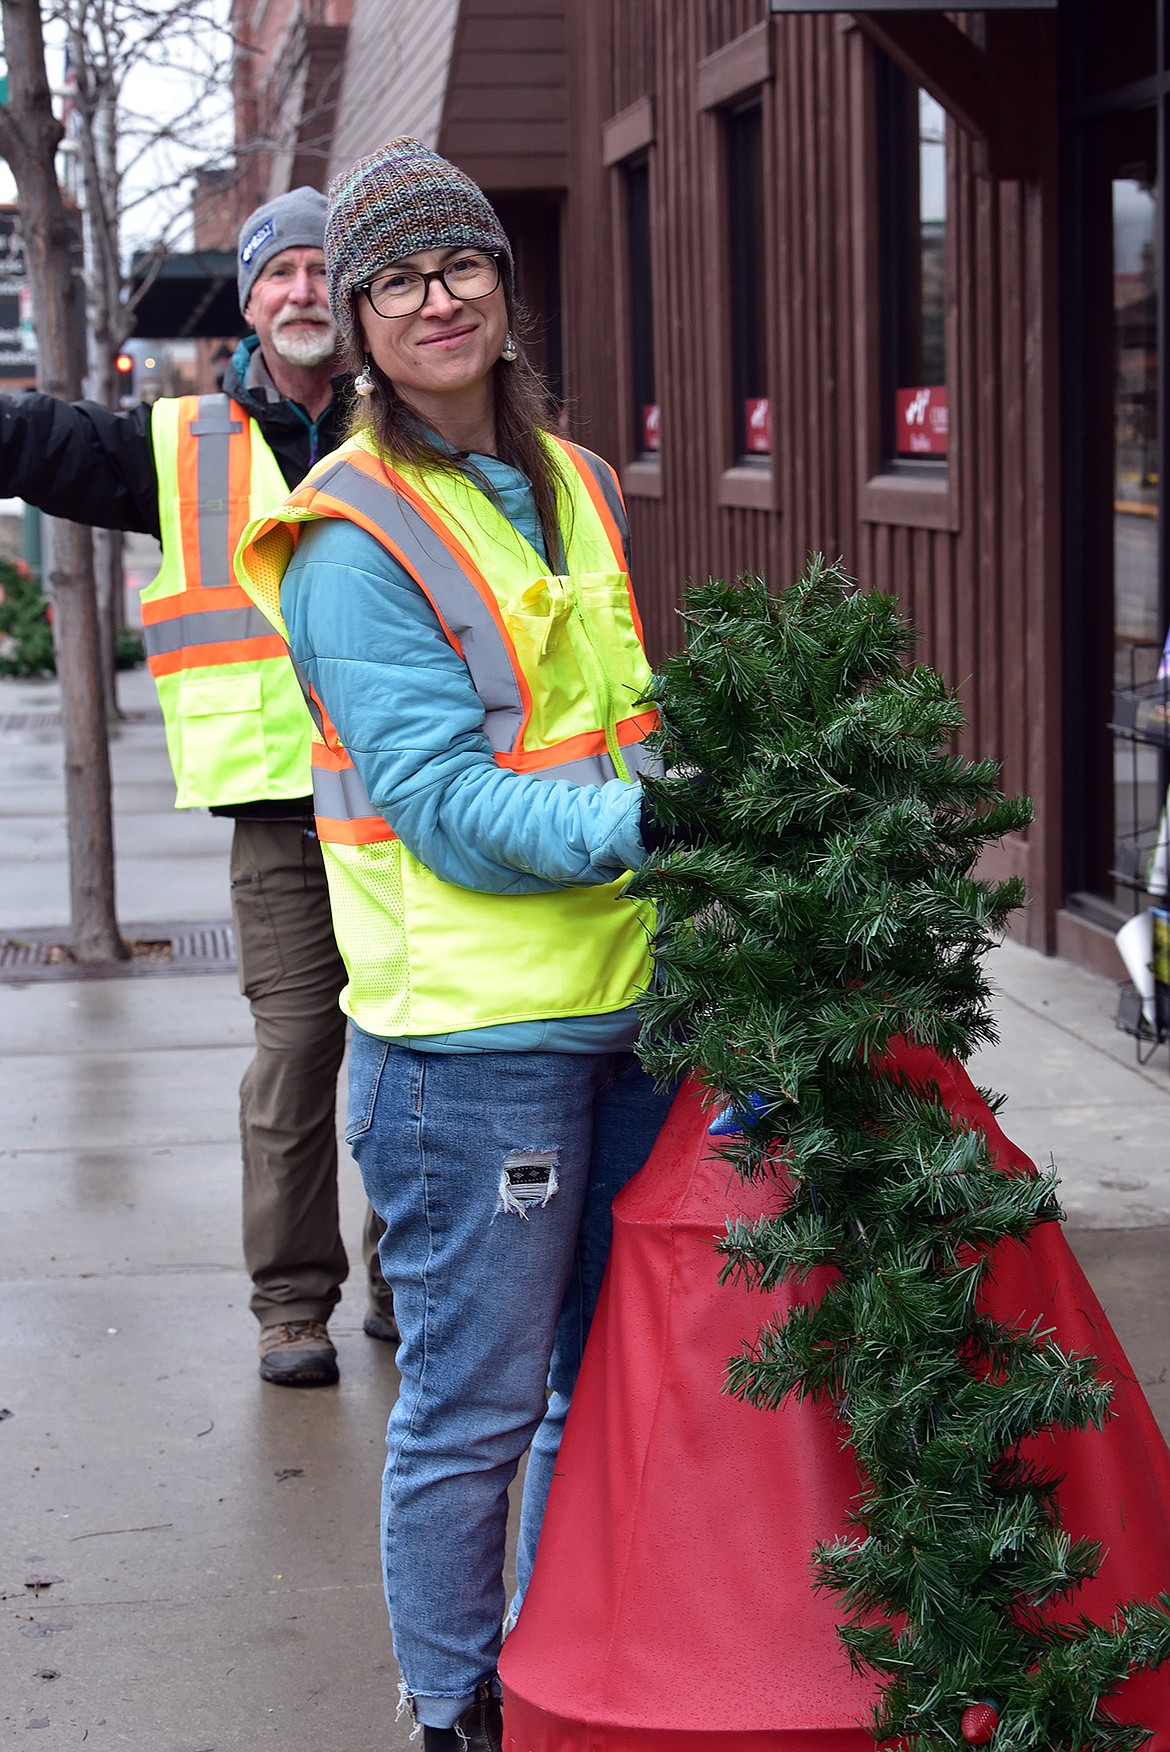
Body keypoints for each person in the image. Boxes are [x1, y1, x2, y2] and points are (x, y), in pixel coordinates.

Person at [235, 138, 675, 1751]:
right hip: (469, 1050)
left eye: (464, 264)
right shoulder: (351, 534)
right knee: (475, 1411)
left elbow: (613, 713)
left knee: (594, 1388)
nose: (441, 299)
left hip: (624, 1005)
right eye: (401, 279)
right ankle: (454, 1707)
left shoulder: (572, 479)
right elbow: (439, 799)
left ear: (505, 282)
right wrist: (648, 827)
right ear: (354, 319)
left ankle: (550, 1666)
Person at [0, 188, 395, 1387]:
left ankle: (413, 1281)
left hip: (415, 799)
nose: (302, 292)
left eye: (323, 271)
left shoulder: (419, 426)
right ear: (250, 303)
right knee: (296, 1055)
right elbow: (44, 442)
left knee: (421, 1047)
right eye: (279, 275)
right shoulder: (183, 444)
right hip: (281, 810)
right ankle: (291, 1306)